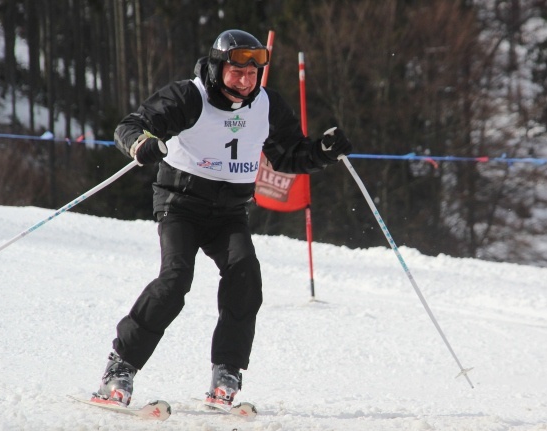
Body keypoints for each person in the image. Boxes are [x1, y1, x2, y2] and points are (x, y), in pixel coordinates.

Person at [92, 29, 352, 409]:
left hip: (229, 211)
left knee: (245, 272)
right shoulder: (189, 96)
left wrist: (323, 152)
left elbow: (289, 155)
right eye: (236, 72)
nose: (245, 82)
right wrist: (141, 143)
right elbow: (129, 126)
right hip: (181, 204)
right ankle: (120, 368)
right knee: (176, 279)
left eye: (252, 75)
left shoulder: (266, 105)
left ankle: (226, 372)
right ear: (217, 67)